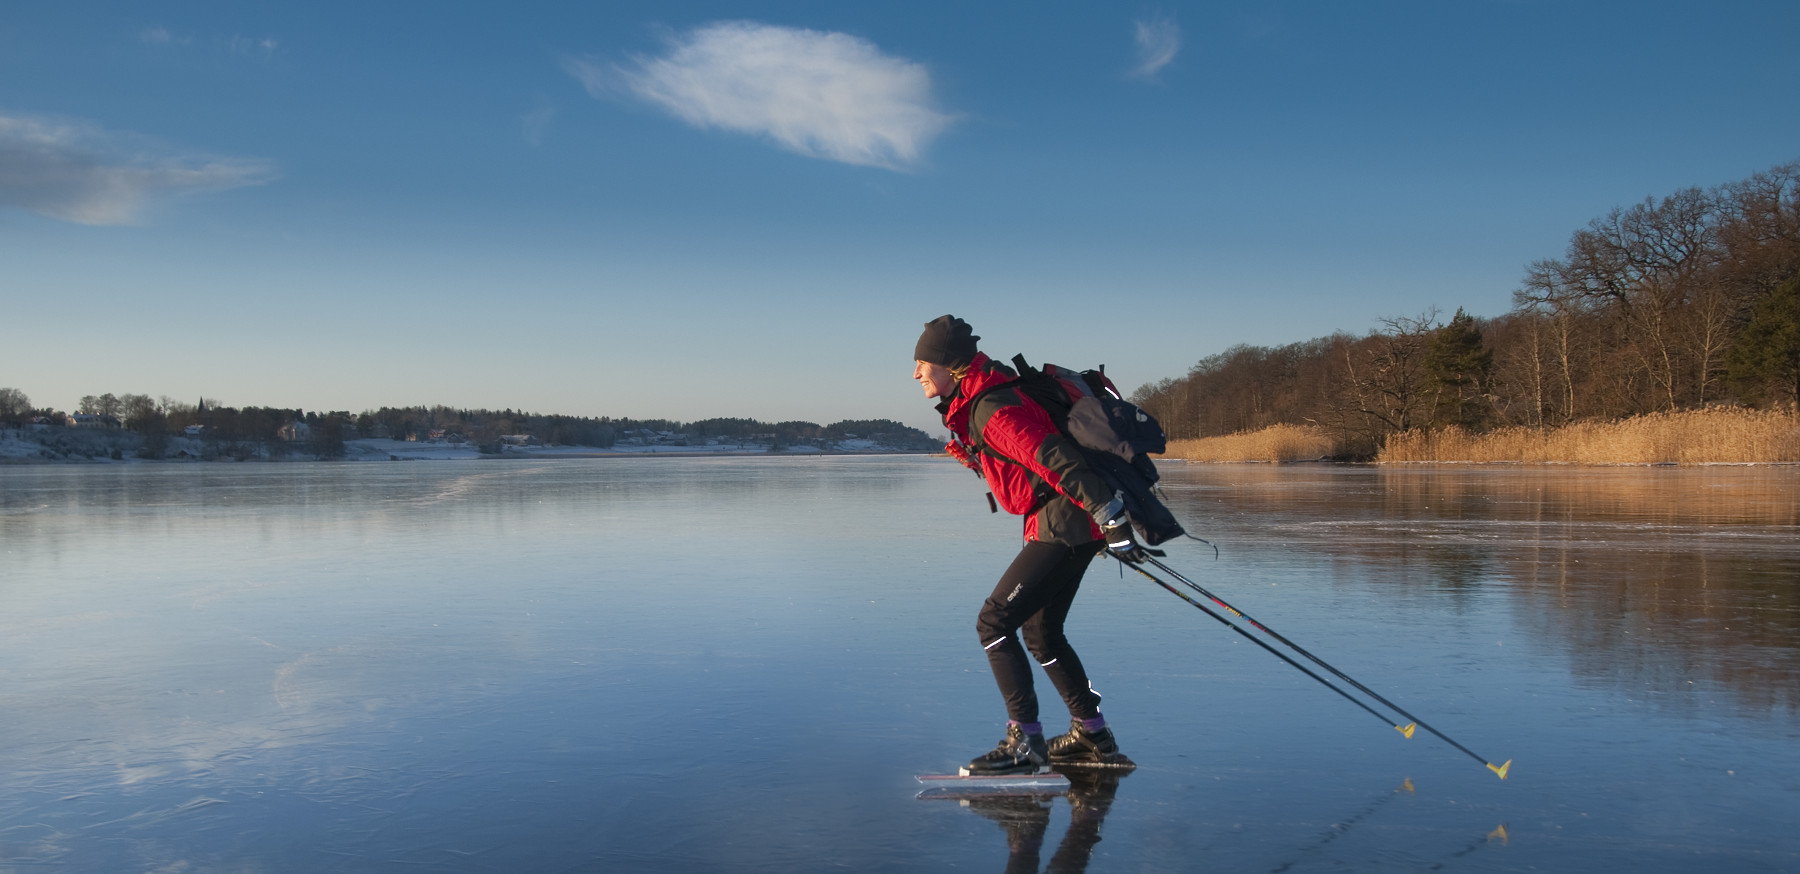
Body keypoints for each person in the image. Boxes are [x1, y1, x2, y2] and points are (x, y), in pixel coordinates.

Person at [912, 315, 1147, 775]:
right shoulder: (985, 399)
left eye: (922, 363)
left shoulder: (990, 406)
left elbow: (1053, 458)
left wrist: (1110, 515)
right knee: (1041, 632)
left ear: (947, 364)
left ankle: (1025, 741)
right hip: (1068, 522)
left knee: (994, 621)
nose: (916, 373)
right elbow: (1022, 467)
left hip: (1066, 522)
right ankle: (1092, 734)